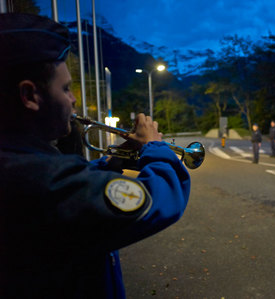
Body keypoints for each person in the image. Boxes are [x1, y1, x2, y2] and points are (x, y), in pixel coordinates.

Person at [0, 13, 190, 299]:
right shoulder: (38, 179)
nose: (74, 99)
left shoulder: (21, 159)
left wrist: (115, 160)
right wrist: (155, 147)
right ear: (29, 95)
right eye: (65, 88)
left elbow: (79, 186)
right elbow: (160, 200)